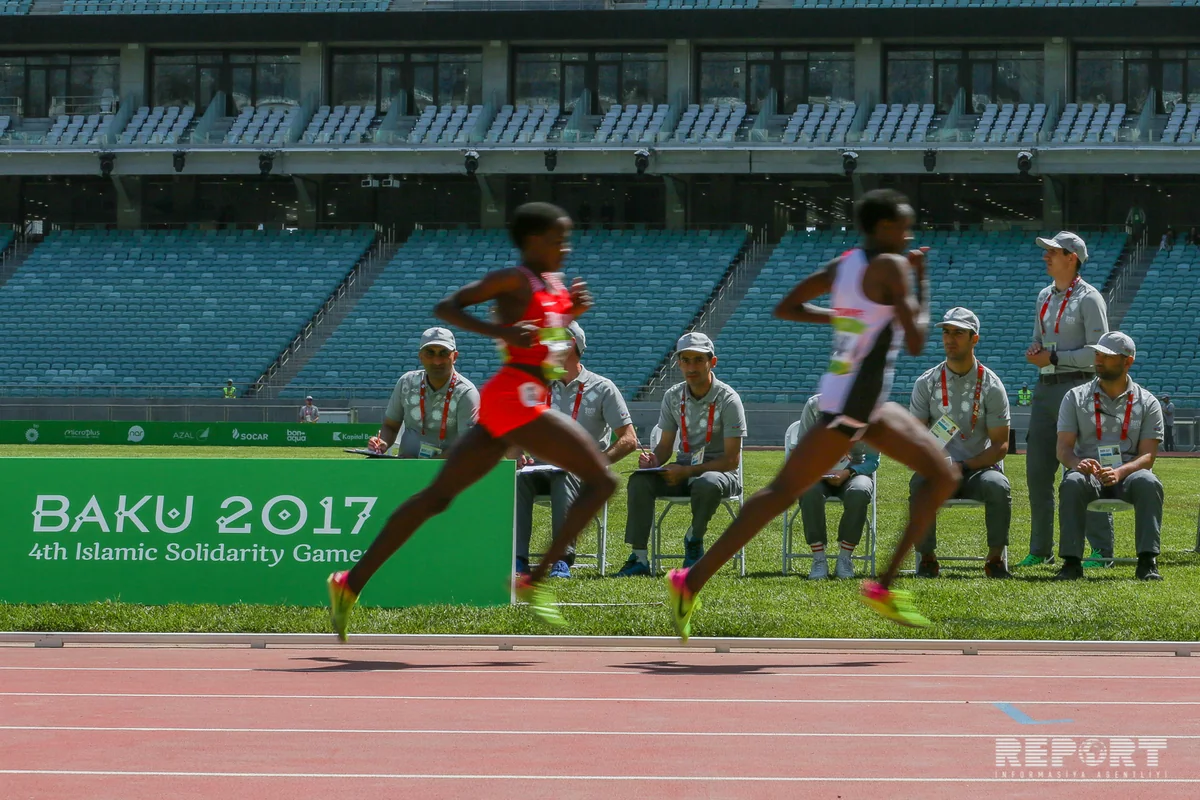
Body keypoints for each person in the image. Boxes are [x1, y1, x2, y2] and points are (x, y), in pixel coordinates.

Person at [664, 188, 960, 638]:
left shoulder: (845, 265)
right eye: (903, 226)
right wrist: (920, 279)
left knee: (941, 474)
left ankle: (884, 586)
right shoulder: (894, 266)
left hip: (862, 403)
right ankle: (692, 579)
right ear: (883, 228)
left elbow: (787, 307)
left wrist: (844, 318)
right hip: (850, 409)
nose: (909, 234)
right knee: (780, 492)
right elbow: (918, 340)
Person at [325, 203, 618, 637]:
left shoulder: (552, 283)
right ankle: (536, 581)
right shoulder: (512, 279)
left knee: (437, 497)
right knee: (603, 481)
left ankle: (350, 582)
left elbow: (547, 344)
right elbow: (447, 308)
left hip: (518, 401)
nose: (565, 248)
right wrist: (500, 333)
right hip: (516, 400)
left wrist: (571, 312)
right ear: (533, 241)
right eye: (558, 240)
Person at [615, 331, 746, 577]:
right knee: (640, 481)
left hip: (720, 474)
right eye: (685, 360)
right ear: (678, 363)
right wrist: (655, 460)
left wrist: (687, 470)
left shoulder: (729, 399)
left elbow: (731, 460)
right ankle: (639, 558)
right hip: (683, 470)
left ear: (712, 362)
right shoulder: (673, 395)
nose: (691, 366)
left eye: (698, 360)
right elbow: (665, 446)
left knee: (707, 482)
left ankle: (694, 540)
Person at [514, 321, 637, 578]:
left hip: (581, 473)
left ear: (570, 344)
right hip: (541, 467)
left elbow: (629, 439)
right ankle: (517, 560)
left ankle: (561, 559)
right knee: (516, 480)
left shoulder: (602, 387)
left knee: (565, 473)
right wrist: (517, 453)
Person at [1020, 231, 1112, 568]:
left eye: (1052, 252)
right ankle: (1040, 549)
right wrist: (1036, 351)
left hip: (1080, 391)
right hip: (1045, 390)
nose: (1046, 256)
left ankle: (1102, 550)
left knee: (1085, 467)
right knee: (1038, 470)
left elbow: (1100, 353)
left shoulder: (1090, 298)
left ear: (1071, 257)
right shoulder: (1044, 295)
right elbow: (1037, 338)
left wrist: (1055, 357)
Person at [909, 307, 1013, 579]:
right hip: (937, 470)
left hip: (978, 469)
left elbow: (1001, 445)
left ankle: (995, 559)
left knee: (998, 486)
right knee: (919, 483)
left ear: (974, 339)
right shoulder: (927, 382)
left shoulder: (991, 385)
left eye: (958, 333)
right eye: (946, 332)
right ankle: (927, 559)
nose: (949, 339)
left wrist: (963, 465)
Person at [1055, 332, 1164, 581]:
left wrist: (1120, 472)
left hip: (1128, 475)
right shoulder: (1075, 397)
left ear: (1128, 362)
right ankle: (1071, 563)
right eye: (1098, 354)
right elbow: (1063, 449)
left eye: (1108, 356)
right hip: (1089, 474)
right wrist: (1077, 464)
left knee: (1149, 482)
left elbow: (1148, 456)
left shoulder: (1147, 402)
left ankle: (1148, 562)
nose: (1099, 360)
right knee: (1071, 481)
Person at [793, 393, 880, 580]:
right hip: (818, 472)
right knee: (808, 490)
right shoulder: (815, 405)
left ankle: (845, 557)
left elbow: (873, 460)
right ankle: (818, 559)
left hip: (854, 471)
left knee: (860, 491)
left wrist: (848, 472)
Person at [368, 327, 480, 459]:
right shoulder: (406, 383)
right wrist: (382, 443)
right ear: (420, 356)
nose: (436, 361)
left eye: (443, 353)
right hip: (407, 466)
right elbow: (390, 426)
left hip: (447, 470)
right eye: (430, 353)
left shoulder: (466, 392)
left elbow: (467, 446)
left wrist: (426, 467)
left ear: (454, 356)